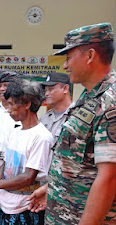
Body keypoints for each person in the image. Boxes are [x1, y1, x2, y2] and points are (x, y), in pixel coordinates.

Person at [43, 23, 116, 224]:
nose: (65, 66)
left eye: (68, 58)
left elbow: (109, 178)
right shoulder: (90, 95)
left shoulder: (110, 101)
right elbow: (78, 160)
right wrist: (50, 189)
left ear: (90, 56)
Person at [0, 79, 53, 225]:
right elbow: (6, 164)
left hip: (25, 208)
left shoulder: (41, 137)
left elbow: (28, 177)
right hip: (5, 205)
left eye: (12, 104)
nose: (8, 109)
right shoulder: (15, 131)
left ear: (27, 104)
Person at [26, 72, 75, 213]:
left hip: (67, 188)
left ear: (65, 89)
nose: (46, 93)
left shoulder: (77, 117)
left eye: (51, 89)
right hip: (42, 186)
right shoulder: (44, 119)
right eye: (45, 90)